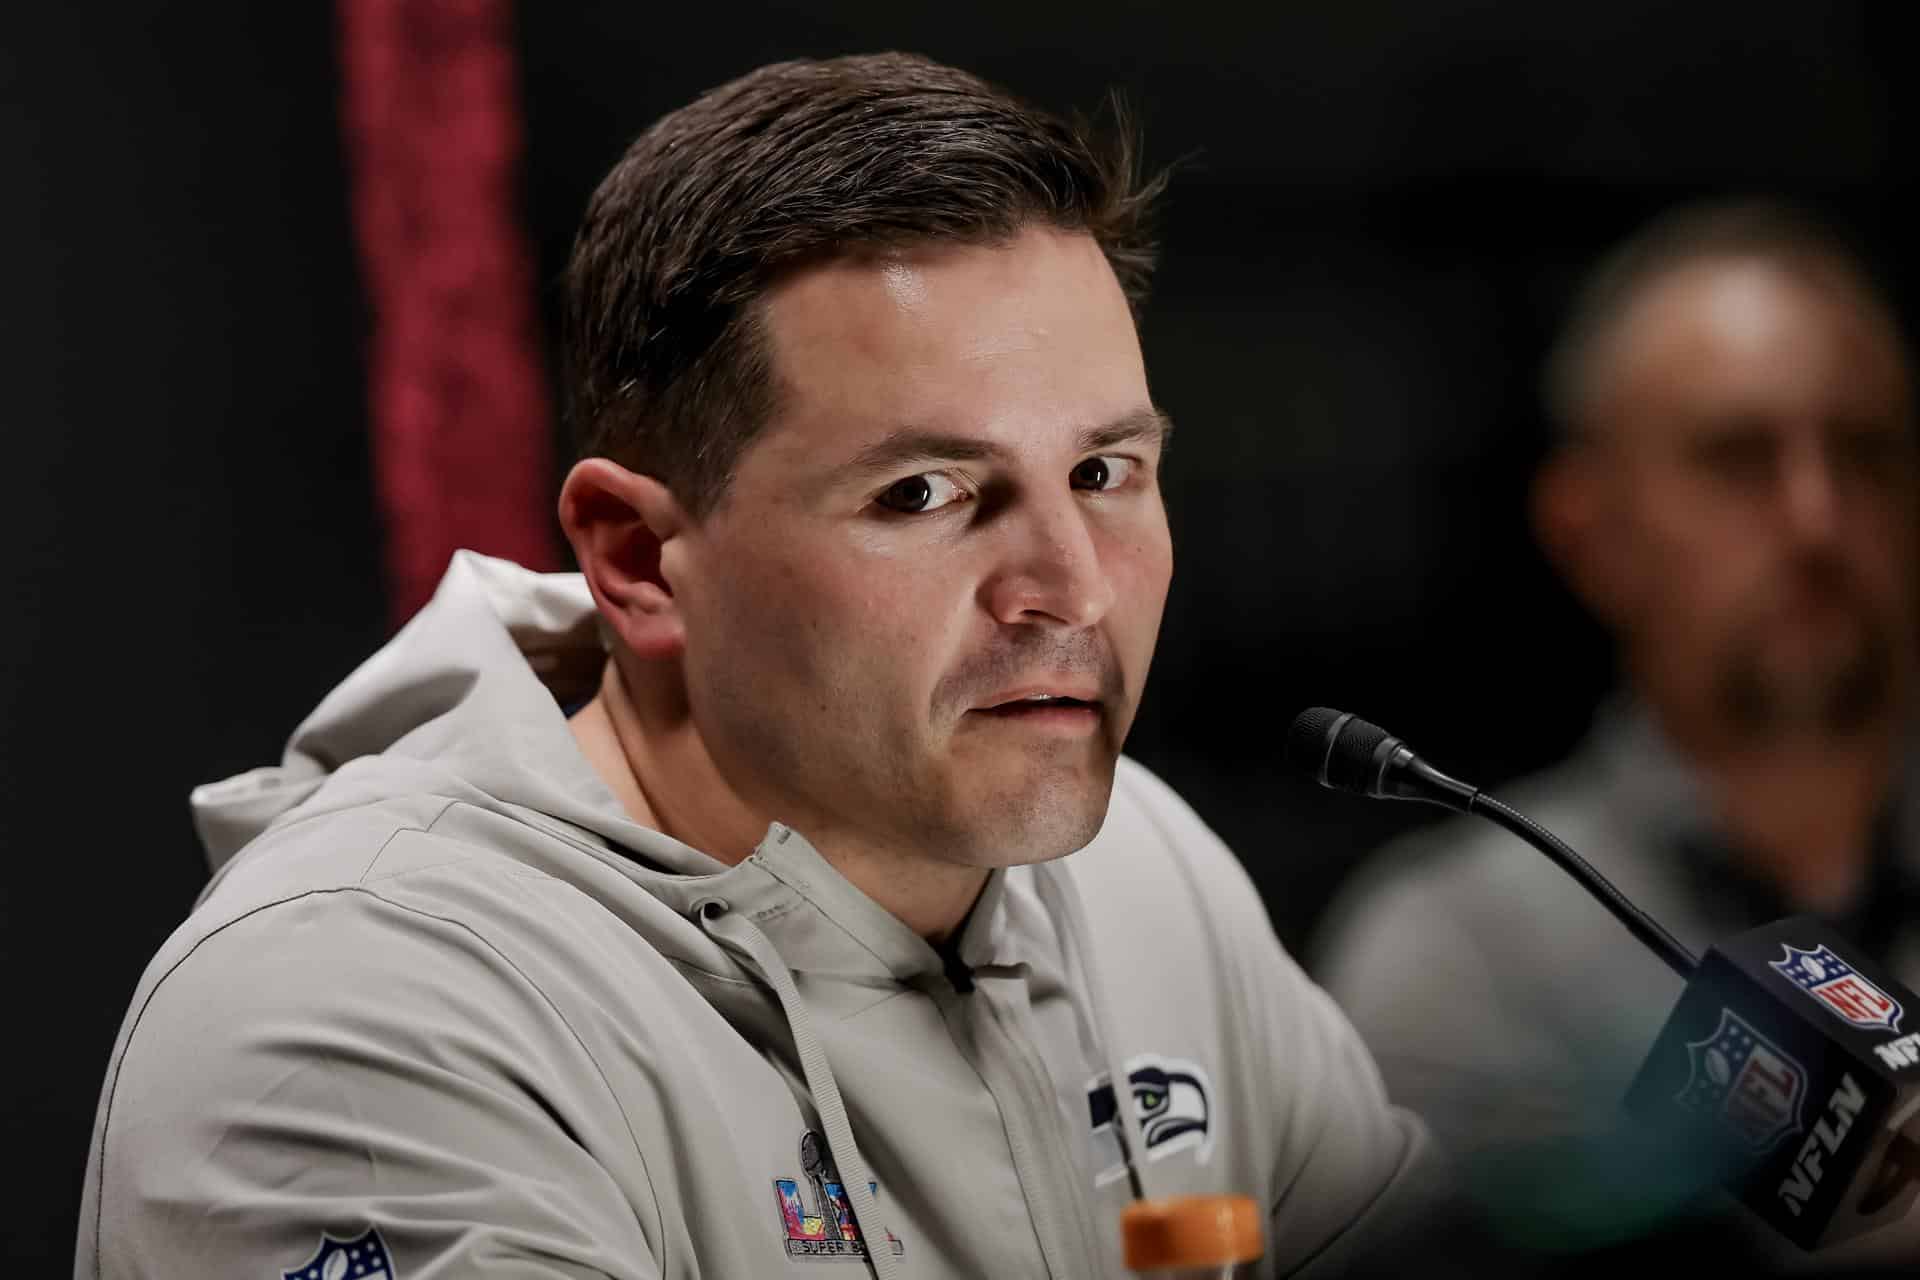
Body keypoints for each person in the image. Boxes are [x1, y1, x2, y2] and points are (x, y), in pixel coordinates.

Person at [79, 54, 1440, 1279]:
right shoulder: (365, 1018)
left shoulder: (1142, 869)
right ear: (634, 557)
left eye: (1103, 472)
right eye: (923, 493)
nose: (1070, 588)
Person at [1313, 199, 1920, 1261]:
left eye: (1865, 451)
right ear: (1587, 528)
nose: (1819, 514)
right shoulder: (1461, 946)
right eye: (1739, 457)